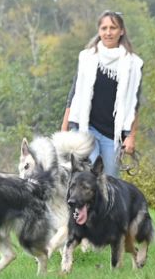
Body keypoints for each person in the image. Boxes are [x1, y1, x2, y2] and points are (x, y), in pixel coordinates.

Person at [61, 10, 143, 177]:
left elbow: (135, 104)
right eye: (104, 28)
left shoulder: (133, 64)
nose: (108, 32)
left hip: (112, 134)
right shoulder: (87, 58)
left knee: (110, 180)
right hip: (85, 127)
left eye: (113, 28)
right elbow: (74, 94)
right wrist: (64, 128)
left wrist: (131, 137)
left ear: (121, 31)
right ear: (99, 31)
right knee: (91, 173)